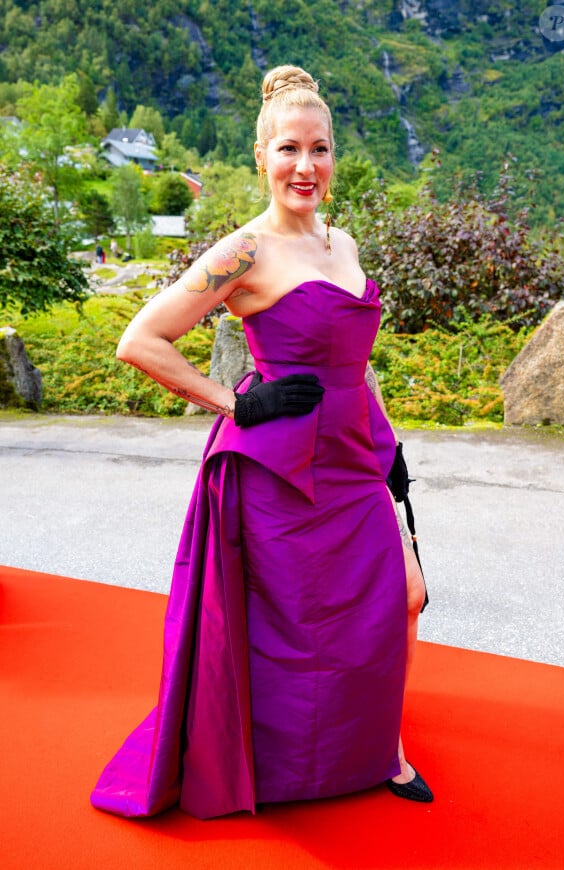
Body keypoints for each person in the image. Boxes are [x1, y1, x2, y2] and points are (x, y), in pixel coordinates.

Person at [91, 64, 432, 821]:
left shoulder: (342, 244)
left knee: (401, 596)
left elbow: (356, 357)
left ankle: (386, 746)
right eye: (288, 150)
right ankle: (292, 758)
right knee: (292, 621)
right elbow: (140, 341)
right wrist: (238, 402)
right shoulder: (242, 253)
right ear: (261, 157)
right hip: (280, 467)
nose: (304, 166)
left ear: (334, 155)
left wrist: (391, 445)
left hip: (355, 454)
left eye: (319, 149)